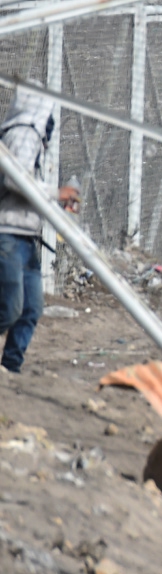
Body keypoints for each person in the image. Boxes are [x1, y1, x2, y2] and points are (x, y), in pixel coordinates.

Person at [0, 91, 78, 375]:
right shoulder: (24, 133)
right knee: (10, 307)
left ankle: (10, 369)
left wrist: (56, 200)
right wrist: (57, 193)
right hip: (7, 233)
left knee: (31, 307)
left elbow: (27, 188)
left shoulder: (30, 138)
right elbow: (16, 181)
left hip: (25, 235)